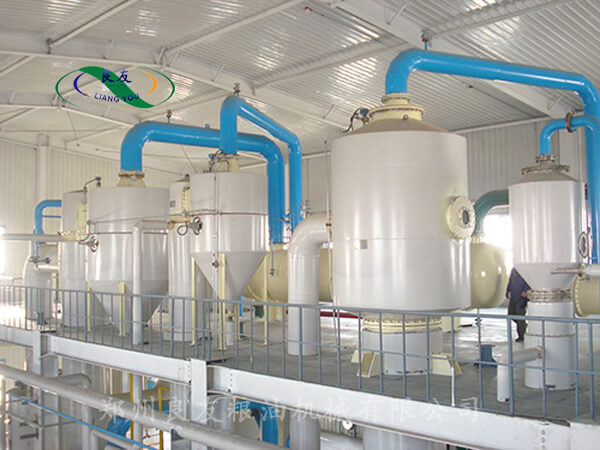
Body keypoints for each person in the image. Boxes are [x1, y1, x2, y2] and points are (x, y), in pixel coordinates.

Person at [505, 268, 530, 342]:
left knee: (520, 316)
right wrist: (507, 290)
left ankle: (521, 336)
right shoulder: (514, 269)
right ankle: (523, 325)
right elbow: (510, 280)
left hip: (521, 297)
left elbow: (530, 280)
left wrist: (526, 291)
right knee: (511, 314)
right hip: (514, 295)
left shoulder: (526, 269)